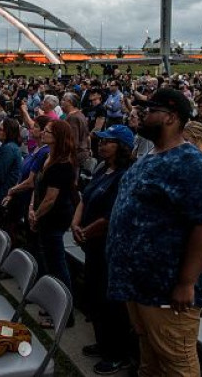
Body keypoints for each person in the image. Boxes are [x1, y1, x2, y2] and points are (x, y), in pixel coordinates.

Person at [107, 88, 202, 376]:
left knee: (177, 361)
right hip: (139, 283)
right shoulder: (150, 157)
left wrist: (186, 282)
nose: (143, 116)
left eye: (151, 111)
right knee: (151, 359)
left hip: (167, 287)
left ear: (171, 117)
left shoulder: (192, 163)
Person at [71, 125, 135, 375]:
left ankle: (117, 353)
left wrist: (85, 231)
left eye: (108, 141)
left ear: (121, 147)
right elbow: (85, 197)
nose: (101, 144)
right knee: (95, 294)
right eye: (101, 140)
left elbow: (113, 215)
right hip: (91, 243)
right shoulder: (101, 168)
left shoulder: (125, 175)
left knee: (111, 301)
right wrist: (76, 224)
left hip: (110, 246)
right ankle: (102, 342)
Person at [29, 119, 77, 327]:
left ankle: (66, 312)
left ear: (58, 136)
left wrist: (36, 215)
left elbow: (51, 198)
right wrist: (32, 208)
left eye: (48, 131)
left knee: (57, 265)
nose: (43, 133)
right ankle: (53, 305)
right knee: (50, 263)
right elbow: (37, 186)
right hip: (42, 215)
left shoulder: (63, 164)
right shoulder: (47, 156)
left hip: (54, 218)